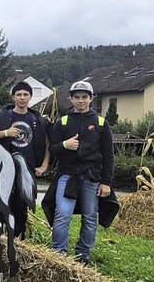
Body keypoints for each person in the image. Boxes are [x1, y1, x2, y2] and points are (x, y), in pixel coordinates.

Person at [43, 80, 114, 265]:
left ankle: (82, 255)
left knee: (90, 216)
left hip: (92, 177)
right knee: (62, 214)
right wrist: (65, 145)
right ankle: (59, 255)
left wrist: (106, 182)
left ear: (92, 99)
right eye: (77, 98)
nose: (81, 101)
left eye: (84, 97)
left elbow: (108, 155)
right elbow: (53, 149)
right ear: (71, 99)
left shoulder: (100, 123)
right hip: (67, 176)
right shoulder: (63, 122)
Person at [0, 81, 51, 239]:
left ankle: (17, 242)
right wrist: (6, 133)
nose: (22, 98)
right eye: (19, 94)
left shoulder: (38, 120)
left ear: (30, 97)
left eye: (25, 94)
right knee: (0, 205)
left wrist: (44, 165)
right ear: (13, 97)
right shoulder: (2, 116)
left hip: (27, 171)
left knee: (20, 207)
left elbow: (47, 144)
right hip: (2, 170)